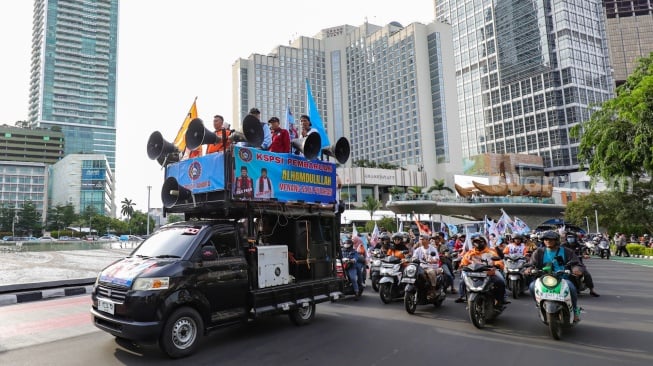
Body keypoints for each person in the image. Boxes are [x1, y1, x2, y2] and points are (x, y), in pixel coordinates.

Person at [528, 230, 582, 322]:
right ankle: (539, 304)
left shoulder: (567, 251)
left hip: (562, 279)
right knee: (532, 286)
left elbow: (576, 263)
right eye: (545, 239)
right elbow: (531, 264)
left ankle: (575, 310)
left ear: (556, 240)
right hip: (544, 278)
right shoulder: (539, 252)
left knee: (571, 288)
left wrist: (576, 269)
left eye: (551, 239)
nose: (548, 241)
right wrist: (528, 269)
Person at [455, 233, 506, 306]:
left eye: (480, 242)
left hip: (489, 272)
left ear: (484, 242)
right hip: (473, 272)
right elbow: (464, 260)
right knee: (462, 281)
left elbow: (498, 260)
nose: (478, 243)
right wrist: (462, 265)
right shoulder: (470, 252)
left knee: (501, 281)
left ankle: (500, 299)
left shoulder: (490, 252)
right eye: (476, 242)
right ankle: (462, 296)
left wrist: (497, 264)